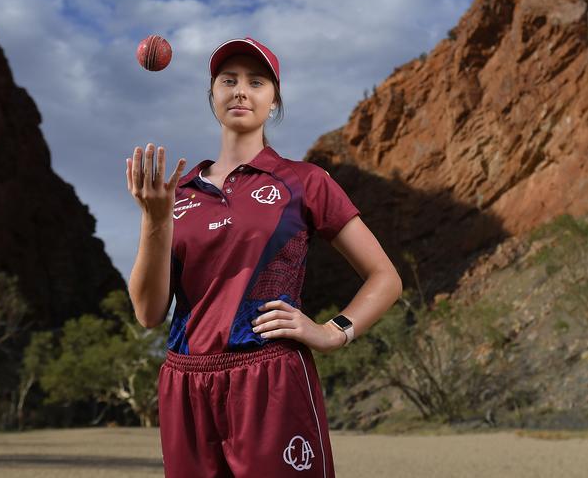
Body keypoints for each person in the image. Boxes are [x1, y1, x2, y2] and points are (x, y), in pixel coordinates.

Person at [126, 36, 403, 478]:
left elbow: (384, 277)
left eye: (256, 82)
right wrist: (154, 219)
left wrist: (333, 332)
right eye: (228, 80)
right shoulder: (177, 195)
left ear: (274, 101)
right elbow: (148, 312)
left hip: (269, 376)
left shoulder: (305, 181)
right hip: (186, 382)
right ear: (212, 95)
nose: (240, 90)